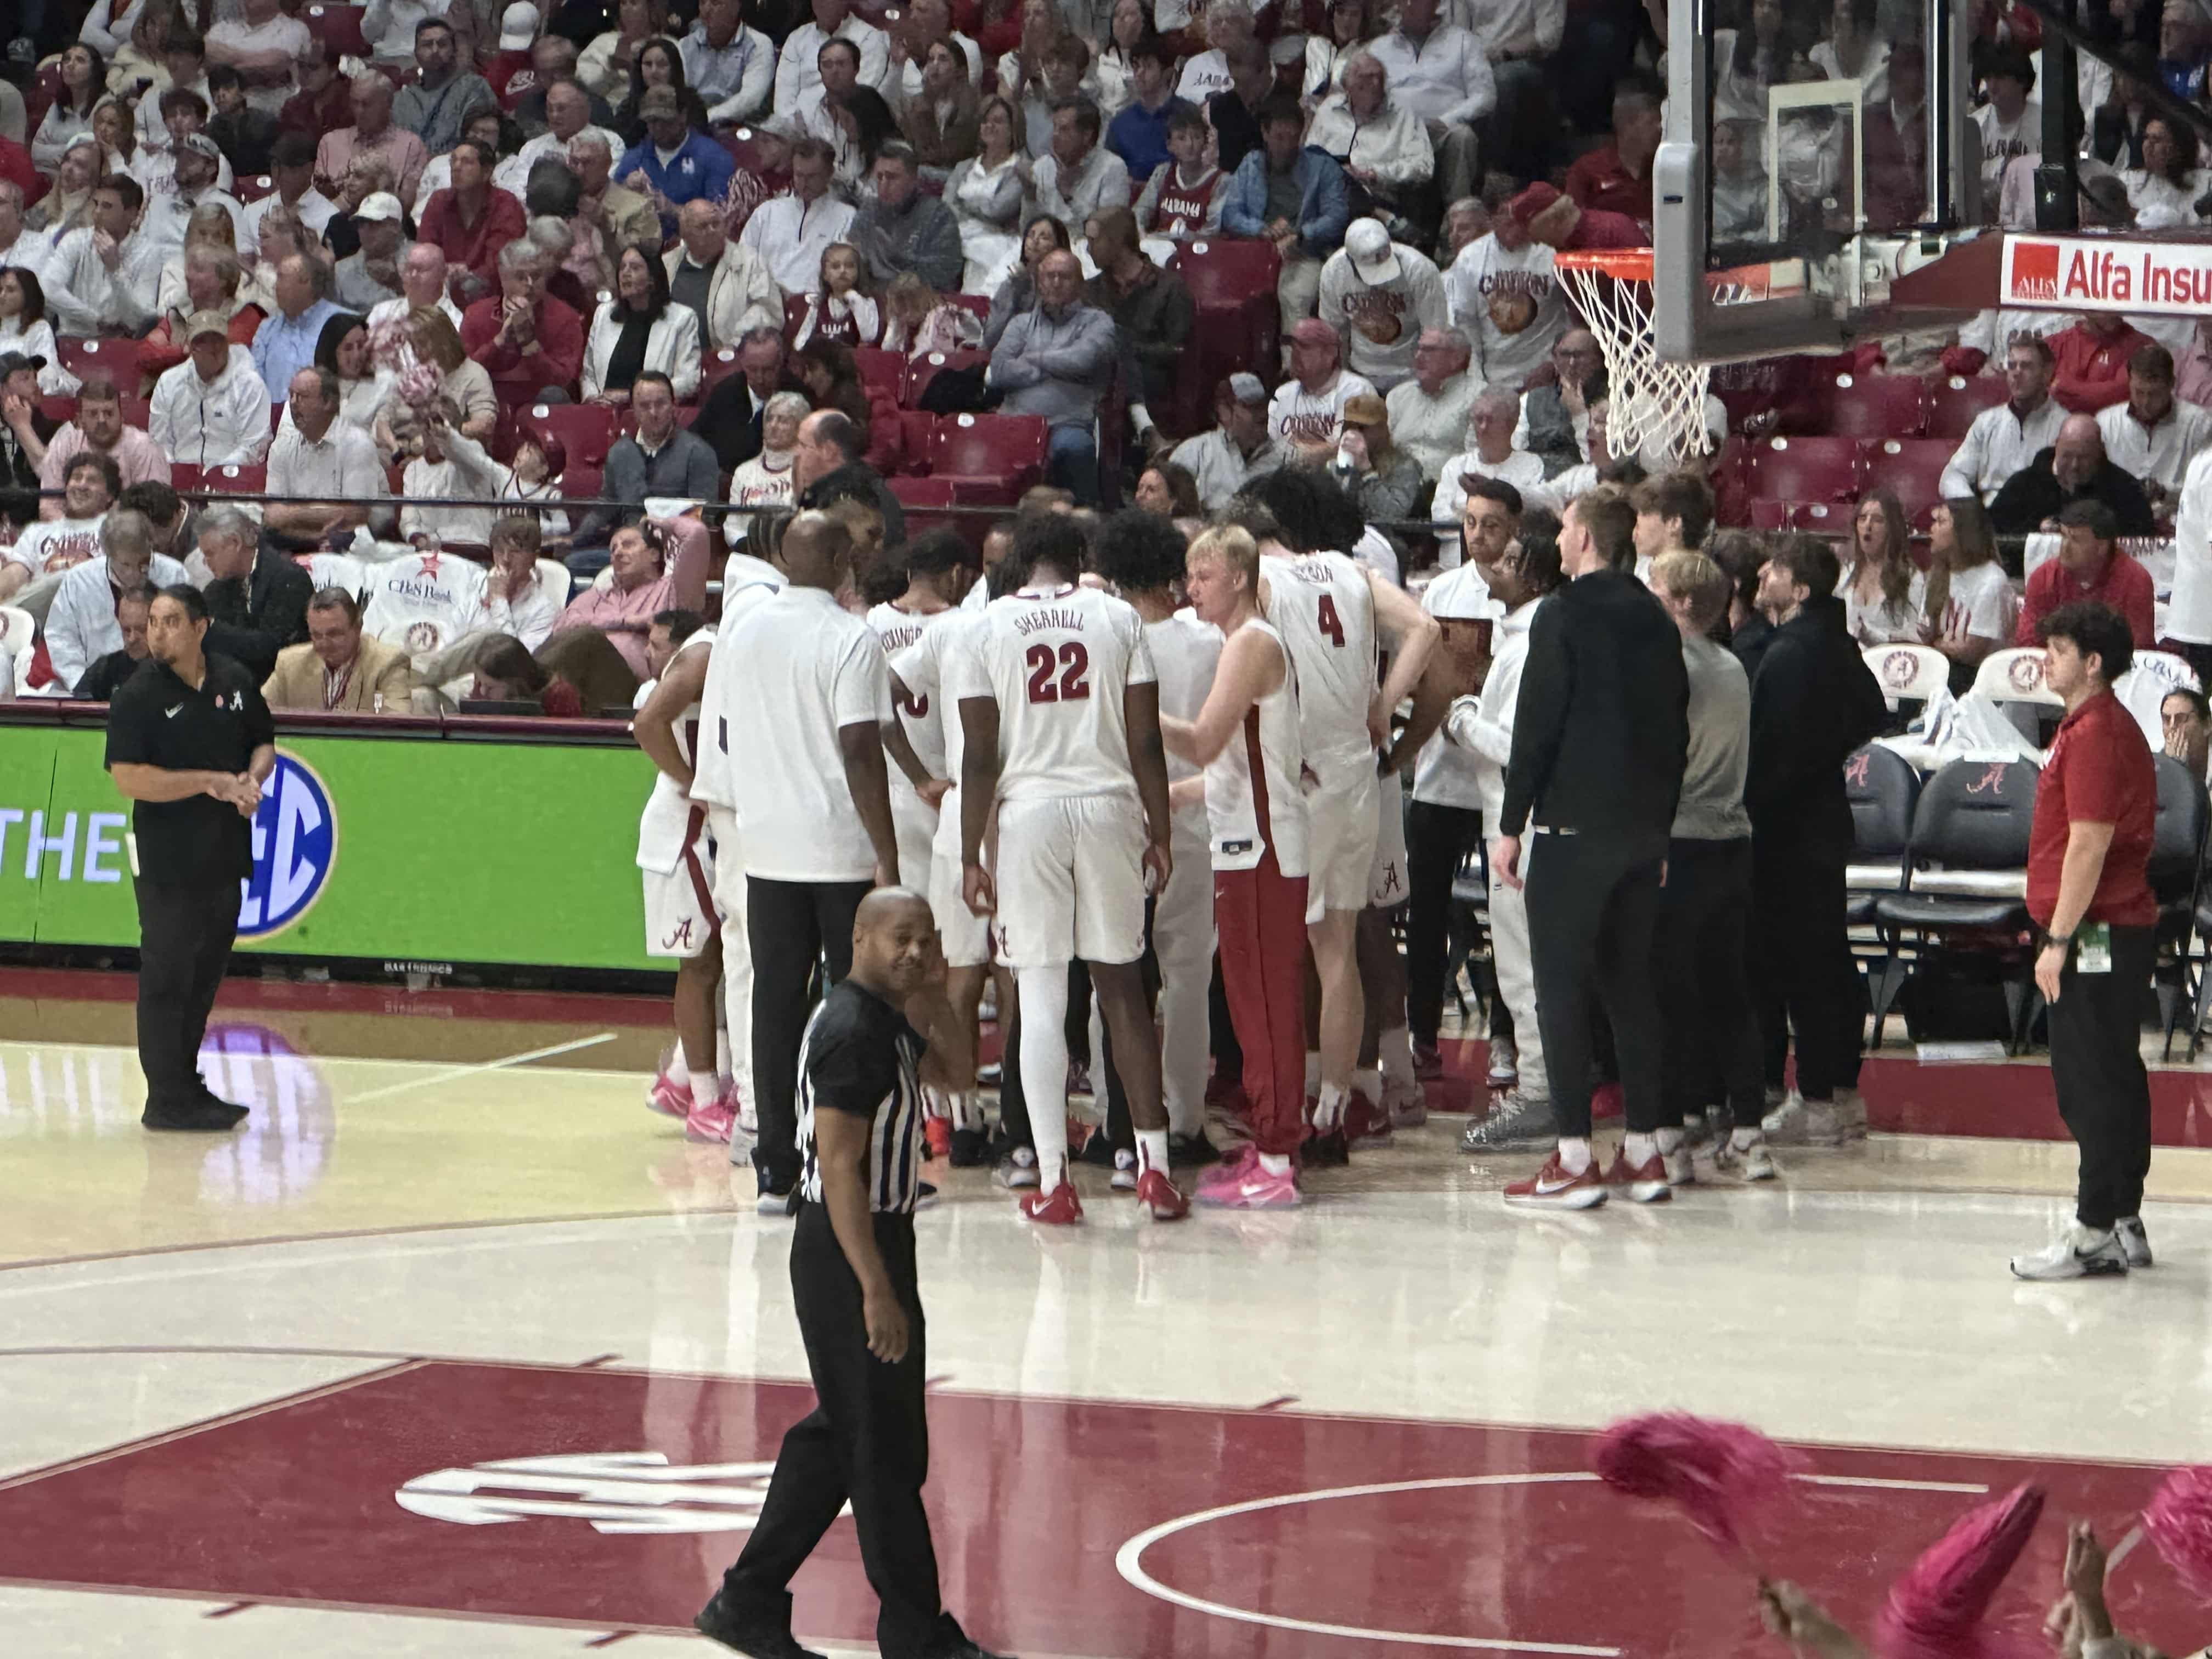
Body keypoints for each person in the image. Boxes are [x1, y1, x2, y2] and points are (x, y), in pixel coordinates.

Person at [692, 884, 1001, 1659]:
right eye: (901, 938)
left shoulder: (888, 1018)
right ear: (859, 938)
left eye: (927, 940)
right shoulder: (851, 1032)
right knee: (884, 1451)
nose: (916, 952)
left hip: (875, 1238)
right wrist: (874, 1289)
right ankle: (915, 1634)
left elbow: (960, 1071)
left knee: (844, 1435)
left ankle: (748, 1600)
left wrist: (937, 991)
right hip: (844, 1246)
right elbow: (837, 1167)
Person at [953, 512, 1185, 1222]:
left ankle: (1054, 1182)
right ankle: (1155, 1171)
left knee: (1044, 995)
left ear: (1017, 562)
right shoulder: (1117, 618)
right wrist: (1162, 832)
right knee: (1123, 988)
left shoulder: (984, 628)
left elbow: (979, 756)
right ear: (1080, 556)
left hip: (1030, 814)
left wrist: (970, 853)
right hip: (1111, 804)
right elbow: (1147, 739)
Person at [1492, 487, 1689, 1210]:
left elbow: (1537, 724)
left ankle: (1575, 1155)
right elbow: (1676, 731)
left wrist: (1512, 821)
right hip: (1642, 833)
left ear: (1587, 540)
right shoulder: (1654, 615)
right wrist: (1661, 827)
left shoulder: (1563, 612)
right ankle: (1645, 1151)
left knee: (1563, 993)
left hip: (1574, 829)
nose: (1561, 538)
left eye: (1568, 527)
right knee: (1633, 989)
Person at [1247, 469, 1438, 1158]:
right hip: (1356, 770)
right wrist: (1383, 704)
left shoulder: (1262, 582)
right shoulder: (1353, 573)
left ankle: (1290, 1105)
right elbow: (1426, 627)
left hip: (1300, 774)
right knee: (1340, 948)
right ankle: (1333, 1105)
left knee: (1285, 946)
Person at [717, 511, 902, 1212]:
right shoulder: (850, 637)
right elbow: (861, 750)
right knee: (856, 1005)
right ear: (830, 559)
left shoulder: (746, 631)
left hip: (768, 845)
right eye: (848, 551)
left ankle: (775, 1168)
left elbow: (730, 732)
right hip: (839, 848)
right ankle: (849, 1163)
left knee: (774, 1001)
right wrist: (887, 854)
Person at [2008, 601, 2160, 1279]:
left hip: (2097, 930)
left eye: (2060, 648)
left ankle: (2094, 1229)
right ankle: (2123, 1216)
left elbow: (2090, 842)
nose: (2048, 659)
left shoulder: (2097, 733)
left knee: (2089, 1082)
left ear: (2093, 663)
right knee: (2115, 1074)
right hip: (2113, 928)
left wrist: (2060, 938)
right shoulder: (2093, 726)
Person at [1158, 522, 1308, 1206]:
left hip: (1265, 847)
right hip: (1246, 839)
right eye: (1190, 577)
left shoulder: (1251, 643)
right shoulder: (1238, 643)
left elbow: (1202, 741)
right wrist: (1160, 800)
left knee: (1267, 1003)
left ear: (1241, 577)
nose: (1192, 589)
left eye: (1204, 576)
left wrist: (1132, 702)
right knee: (1250, 1001)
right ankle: (1270, 1142)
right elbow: (1225, 768)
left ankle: (1278, 1156)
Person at [104, 580, 275, 1132]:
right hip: (167, 859)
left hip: (224, 852)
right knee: (166, 975)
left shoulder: (233, 679)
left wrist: (250, 779)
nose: (157, 631)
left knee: (204, 975)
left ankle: (184, 1081)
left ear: (201, 627)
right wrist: (209, 782)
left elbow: (263, 741)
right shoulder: (138, 695)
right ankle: (164, 1096)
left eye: (170, 620)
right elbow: (129, 779)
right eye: (152, 621)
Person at [1087, 508, 1223, 1164]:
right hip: (1193, 820)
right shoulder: (1210, 642)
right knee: (1189, 977)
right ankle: (1186, 1120)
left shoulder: (1103, 640)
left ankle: (1116, 1120)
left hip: (1122, 823)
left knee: (1113, 979)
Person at [1747, 535, 1889, 1148]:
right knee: (1828, 957)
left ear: (1799, 591)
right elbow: (1874, 709)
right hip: (1824, 818)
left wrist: (1768, 791)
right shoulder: (1838, 644)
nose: (1762, 574)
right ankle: (1842, 1095)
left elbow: (1766, 754)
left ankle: (1820, 1099)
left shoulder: (1790, 654)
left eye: (1774, 569)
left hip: (1786, 827)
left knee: (1801, 964)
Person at [1645, 548, 1770, 1183]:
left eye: (1656, 588)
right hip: (1732, 843)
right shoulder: (1733, 666)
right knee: (1728, 994)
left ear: (1683, 604)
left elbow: (1662, 760)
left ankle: (1669, 1137)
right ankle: (1747, 1131)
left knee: (1669, 995)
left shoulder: (1671, 666)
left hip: (1680, 844)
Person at [1446, 498, 1559, 1146]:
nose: (1496, 565)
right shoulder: (1522, 634)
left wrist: (1461, 719)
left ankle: (1542, 1096)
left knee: (1524, 967)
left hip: (1522, 825)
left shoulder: (1532, 642)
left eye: (1512, 559)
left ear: (1535, 575)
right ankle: (1544, 1090)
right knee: (1524, 965)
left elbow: (1518, 748)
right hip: (1516, 820)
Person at [631, 607, 735, 1143]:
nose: (650, 652)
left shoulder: (726, 649)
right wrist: (693, 781)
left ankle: (679, 1082)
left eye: (655, 643)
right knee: (699, 964)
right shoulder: (700, 656)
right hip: (685, 832)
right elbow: (646, 725)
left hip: (710, 829)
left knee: (721, 960)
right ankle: (705, 1100)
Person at [985, 247, 1115, 503]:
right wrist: (1056, 364)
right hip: (1015, 423)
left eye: (1065, 277)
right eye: (1050, 276)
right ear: (1039, 283)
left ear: (1080, 285)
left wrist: (1033, 357)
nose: (1056, 283)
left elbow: (1083, 360)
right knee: (976, 449)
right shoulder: (1021, 324)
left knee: (1076, 449)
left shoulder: (1098, 322)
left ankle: (1083, 523)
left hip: (1068, 424)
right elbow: (999, 371)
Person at [1222, 94, 1350, 334]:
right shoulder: (1251, 164)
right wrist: (1262, 229)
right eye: (1280, 137)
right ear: (1265, 133)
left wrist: (1301, 234)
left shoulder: (1322, 168)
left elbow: (1337, 216)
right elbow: (1230, 214)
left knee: (1294, 297)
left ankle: (1294, 366)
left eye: (1294, 138)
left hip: (1303, 254)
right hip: (1256, 250)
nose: (1287, 145)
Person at [557, 505, 713, 677]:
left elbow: (696, 533)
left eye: (628, 545)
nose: (617, 553)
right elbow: (563, 628)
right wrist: (629, 622)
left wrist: (661, 523)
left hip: (634, 687)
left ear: (654, 555)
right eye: (613, 549)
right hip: (577, 680)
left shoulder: (673, 591)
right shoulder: (596, 595)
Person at [1444, 187, 1568, 402]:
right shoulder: (1470, 257)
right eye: (1504, 215)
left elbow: (1572, 317)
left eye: (1518, 215)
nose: (1511, 221)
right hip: (1491, 376)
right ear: (1493, 219)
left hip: (1544, 375)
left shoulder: (1552, 252)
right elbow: (1465, 324)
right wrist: (1476, 380)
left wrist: (1554, 364)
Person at [1364, 0, 1491, 208]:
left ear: (1435, 4)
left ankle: (1459, 218)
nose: (1409, 5)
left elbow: (1485, 96)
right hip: (1397, 133)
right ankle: (1389, 220)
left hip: (1444, 133)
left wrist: (1446, 120)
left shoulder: (1462, 41)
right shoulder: (1380, 48)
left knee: (1462, 136)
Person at [1081, 204, 1189, 448]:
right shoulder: (1089, 291)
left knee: (1114, 339)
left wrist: (1128, 349)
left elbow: (1179, 351)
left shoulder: (1170, 288)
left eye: (1094, 241)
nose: (1088, 250)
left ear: (1118, 241)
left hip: (1153, 377)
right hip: (1098, 379)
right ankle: (1144, 427)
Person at [1302, 50, 1434, 237]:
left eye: (1379, 77)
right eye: (1367, 78)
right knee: (1326, 168)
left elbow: (1423, 166)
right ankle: (1379, 215)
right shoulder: (1329, 109)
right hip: (1325, 195)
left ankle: (1371, 209)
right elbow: (1310, 157)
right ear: (1349, 86)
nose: (1376, 84)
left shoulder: (1403, 114)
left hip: (1378, 194)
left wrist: (1374, 173)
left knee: (1337, 180)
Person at [264, 364, 390, 550]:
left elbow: (355, 515)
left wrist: (291, 514)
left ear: (329, 403)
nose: (293, 403)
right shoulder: (281, 447)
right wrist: (313, 533)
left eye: (303, 397)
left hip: (355, 544)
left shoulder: (358, 443)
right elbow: (273, 516)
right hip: (301, 540)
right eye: (291, 395)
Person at [1319, 218, 1447, 394]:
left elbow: (1435, 329)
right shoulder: (1333, 272)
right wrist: (1342, 378)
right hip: (1361, 369)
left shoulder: (1420, 269)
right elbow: (1333, 332)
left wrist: (1430, 374)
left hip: (1410, 371)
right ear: (1350, 260)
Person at [1938, 335, 2068, 501]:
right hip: (1987, 518)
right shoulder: (1986, 422)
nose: (2017, 373)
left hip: (2039, 520)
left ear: (2047, 373)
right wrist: (1970, 506)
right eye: (2012, 366)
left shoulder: (2066, 427)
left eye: (2026, 366)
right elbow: (1953, 475)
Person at [196, 501, 313, 682]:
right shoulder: (215, 591)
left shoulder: (289, 579)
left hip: (287, 687)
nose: (207, 563)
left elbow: (274, 648)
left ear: (236, 542)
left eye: (210, 554)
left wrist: (212, 629)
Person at [2017, 498, 2159, 647]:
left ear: (2102, 547)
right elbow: (2028, 643)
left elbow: (2139, 651)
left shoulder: (2135, 581)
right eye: (2064, 536)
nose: (2065, 547)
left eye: (2075, 540)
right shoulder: (2044, 577)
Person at [1990, 412, 2158, 537]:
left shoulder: (2125, 489)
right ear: (2056, 446)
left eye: (2084, 457)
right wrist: (2037, 530)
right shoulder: (2023, 485)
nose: (2075, 465)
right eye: (2067, 456)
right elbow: (1994, 531)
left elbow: (2142, 538)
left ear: (2100, 451)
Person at [461, 238, 585, 402]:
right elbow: (463, 378)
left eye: (536, 276)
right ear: (503, 277)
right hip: (487, 404)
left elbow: (564, 383)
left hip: (542, 408)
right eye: (521, 277)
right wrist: (499, 342)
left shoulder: (566, 318)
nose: (530, 284)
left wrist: (530, 344)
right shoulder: (476, 315)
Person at [2095, 343, 2212, 516]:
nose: (2146, 403)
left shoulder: (2199, 423)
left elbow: (2206, 489)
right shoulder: (2106, 422)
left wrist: (2167, 495)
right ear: (2129, 382)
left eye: (2155, 393)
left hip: (2180, 518)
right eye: (2139, 392)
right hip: (2119, 519)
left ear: (2172, 384)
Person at [147, 309, 270, 470]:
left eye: (217, 339)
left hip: (231, 479)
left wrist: (214, 473)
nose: (213, 348)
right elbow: (159, 443)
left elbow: (253, 448)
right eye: (203, 342)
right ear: (191, 348)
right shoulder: (169, 383)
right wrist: (175, 473)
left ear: (227, 343)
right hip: (178, 476)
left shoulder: (250, 385)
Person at [261, 585, 418, 710]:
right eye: (316, 635)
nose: (324, 644)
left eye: (334, 634)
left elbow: (397, 725)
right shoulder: (289, 664)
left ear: (358, 627)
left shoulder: (388, 663)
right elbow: (257, 715)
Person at [43, 176, 163, 336]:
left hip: (120, 346)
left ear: (132, 214)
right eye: (96, 204)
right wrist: (94, 319)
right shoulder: (76, 240)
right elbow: (47, 289)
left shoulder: (149, 254)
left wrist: (115, 270)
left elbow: (141, 320)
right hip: (71, 340)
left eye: (107, 207)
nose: (97, 213)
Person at [664, 195, 780, 355]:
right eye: (703, 226)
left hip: (729, 361)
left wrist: (734, 346)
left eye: (716, 224)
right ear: (685, 234)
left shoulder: (750, 262)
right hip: (674, 358)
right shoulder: (667, 265)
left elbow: (767, 311)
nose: (712, 231)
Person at [738, 137, 856, 294]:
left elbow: (845, 276)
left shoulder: (847, 217)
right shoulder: (767, 212)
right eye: (799, 175)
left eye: (812, 176)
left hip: (817, 305)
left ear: (829, 174)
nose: (804, 183)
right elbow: (741, 262)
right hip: (766, 301)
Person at [1921, 496, 2015, 692]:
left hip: (1982, 681)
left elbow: (1971, 653)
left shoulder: (1992, 581)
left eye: (1941, 522)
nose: (1932, 529)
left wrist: (1936, 642)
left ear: (1963, 532)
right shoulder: (1937, 574)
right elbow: (1924, 632)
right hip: (1945, 669)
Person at [417, 139, 527, 301]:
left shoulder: (506, 206)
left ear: (487, 172)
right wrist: (444, 271)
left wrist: (464, 273)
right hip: (441, 293)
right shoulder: (439, 201)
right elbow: (424, 253)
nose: (456, 167)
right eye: (453, 161)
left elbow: (500, 266)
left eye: (467, 162)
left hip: (493, 299)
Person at [617, 86, 737, 233]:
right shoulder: (635, 156)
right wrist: (625, 189)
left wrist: (673, 209)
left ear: (683, 116)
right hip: (641, 245)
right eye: (653, 121)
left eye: (666, 120)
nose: (659, 127)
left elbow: (720, 219)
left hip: (692, 246)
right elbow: (611, 207)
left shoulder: (714, 157)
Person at [848, 142, 962, 294]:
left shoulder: (939, 215)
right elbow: (853, 261)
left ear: (914, 180)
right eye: (880, 177)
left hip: (922, 302)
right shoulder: (869, 211)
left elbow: (946, 273)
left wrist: (897, 256)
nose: (884, 185)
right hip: (874, 300)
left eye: (892, 178)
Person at [1169, 373, 1282, 511]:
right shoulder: (1193, 453)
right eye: (1250, 407)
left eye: (1264, 405)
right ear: (1224, 412)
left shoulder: (1281, 456)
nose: (1262, 413)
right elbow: (1170, 505)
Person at [315, 73, 429, 206]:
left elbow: (406, 206)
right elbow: (316, 202)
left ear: (388, 104)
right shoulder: (330, 143)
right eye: (355, 102)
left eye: (367, 104)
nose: (359, 111)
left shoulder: (411, 146)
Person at [1385, 327, 1479, 484]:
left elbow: (1479, 461)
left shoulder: (1480, 398)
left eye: (1430, 350)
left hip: (1450, 489)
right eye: (1418, 349)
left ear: (1456, 358)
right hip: (1397, 490)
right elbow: (1383, 449)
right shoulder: (1398, 396)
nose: (1419, 356)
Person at [249, 251, 340, 410]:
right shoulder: (267, 329)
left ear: (306, 281)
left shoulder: (342, 324)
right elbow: (255, 387)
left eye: (282, 278)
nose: (275, 285)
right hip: (274, 426)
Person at [1837, 489, 1927, 645]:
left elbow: (1916, 639)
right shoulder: (1847, 572)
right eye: (1862, 518)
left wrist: (1873, 638)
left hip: (1888, 663)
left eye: (1877, 520)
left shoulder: (1911, 578)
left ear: (1892, 529)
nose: (1868, 526)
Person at [1133, 104, 1229, 241]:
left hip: (1197, 254)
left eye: (1196, 137)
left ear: (1206, 141)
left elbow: (1212, 232)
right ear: (1169, 145)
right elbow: (1140, 212)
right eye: (1182, 138)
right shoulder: (1163, 172)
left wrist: (1178, 237)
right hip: (1157, 250)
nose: (1190, 144)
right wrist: (1142, 234)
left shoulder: (1220, 180)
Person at [1104, 37, 1189, 184]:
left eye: (1148, 66)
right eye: (1136, 66)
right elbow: (1110, 174)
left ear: (1168, 73)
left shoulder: (1188, 115)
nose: (1140, 73)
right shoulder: (1120, 123)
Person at [73, 580, 156, 701]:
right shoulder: (106, 668)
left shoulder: (181, 670)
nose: (132, 639)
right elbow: (76, 709)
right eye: (126, 630)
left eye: (141, 630)